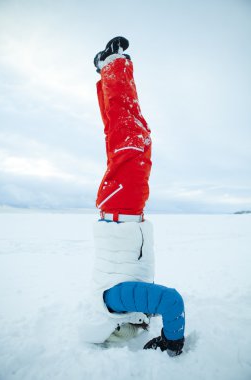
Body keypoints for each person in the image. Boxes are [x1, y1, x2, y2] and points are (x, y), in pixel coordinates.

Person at [85, 36, 185, 356]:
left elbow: (171, 301)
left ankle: (113, 65)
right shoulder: (114, 301)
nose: (134, 326)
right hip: (122, 208)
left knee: (129, 134)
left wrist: (174, 337)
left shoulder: (115, 299)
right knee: (128, 133)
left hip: (122, 205)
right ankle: (107, 73)